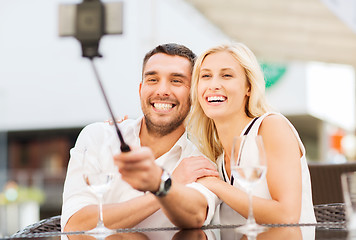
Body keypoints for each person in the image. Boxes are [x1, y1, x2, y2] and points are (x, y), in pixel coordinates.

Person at [61, 43, 220, 231]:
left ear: (193, 94)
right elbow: (75, 226)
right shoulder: (98, 137)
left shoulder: (200, 160)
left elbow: (195, 216)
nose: (162, 91)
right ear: (140, 89)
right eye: (152, 80)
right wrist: (166, 184)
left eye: (176, 81)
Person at [187, 42, 316, 225]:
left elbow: (287, 215)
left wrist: (216, 185)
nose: (214, 85)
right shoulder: (215, 160)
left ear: (248, 87)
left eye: (226, 75)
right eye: (206, 76)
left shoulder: (271, 126)